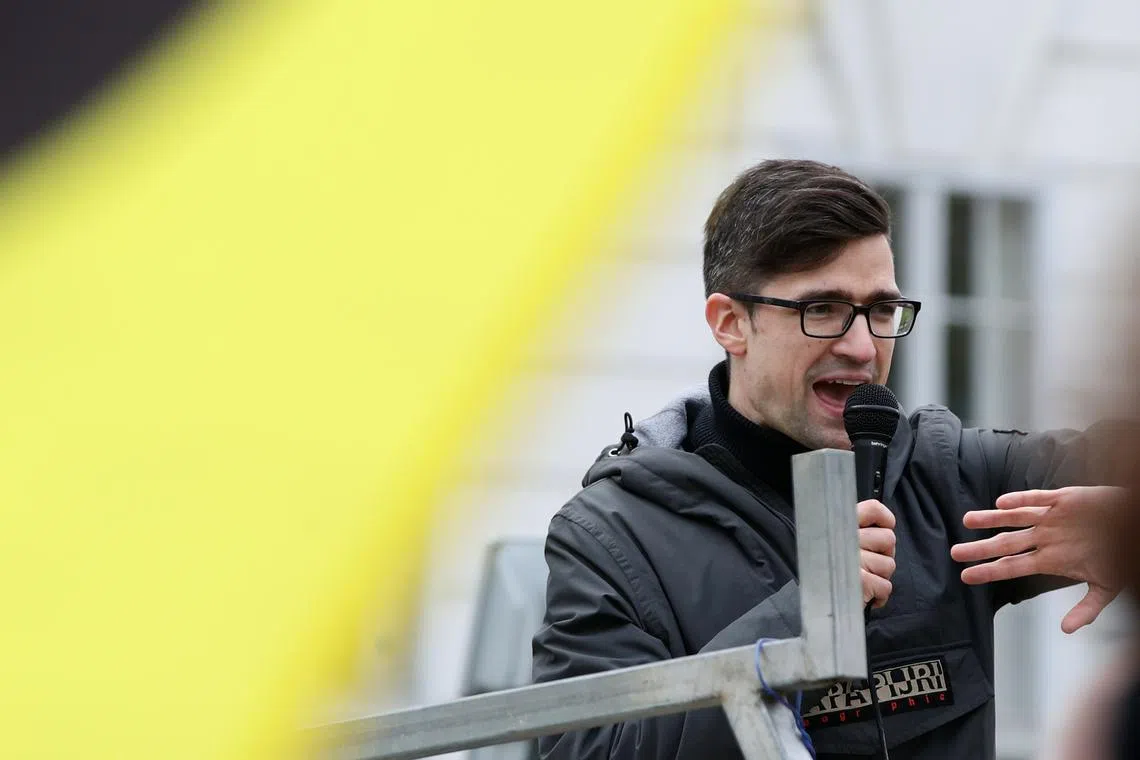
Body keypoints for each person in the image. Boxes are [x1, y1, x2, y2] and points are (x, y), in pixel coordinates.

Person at [530, 159, 1124, 759]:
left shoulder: (945, 477)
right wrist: (799, 621)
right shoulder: (611, 540)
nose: (863, 347)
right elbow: (594, 751)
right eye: (823, 310)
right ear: (731, 323)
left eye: (882, 311)